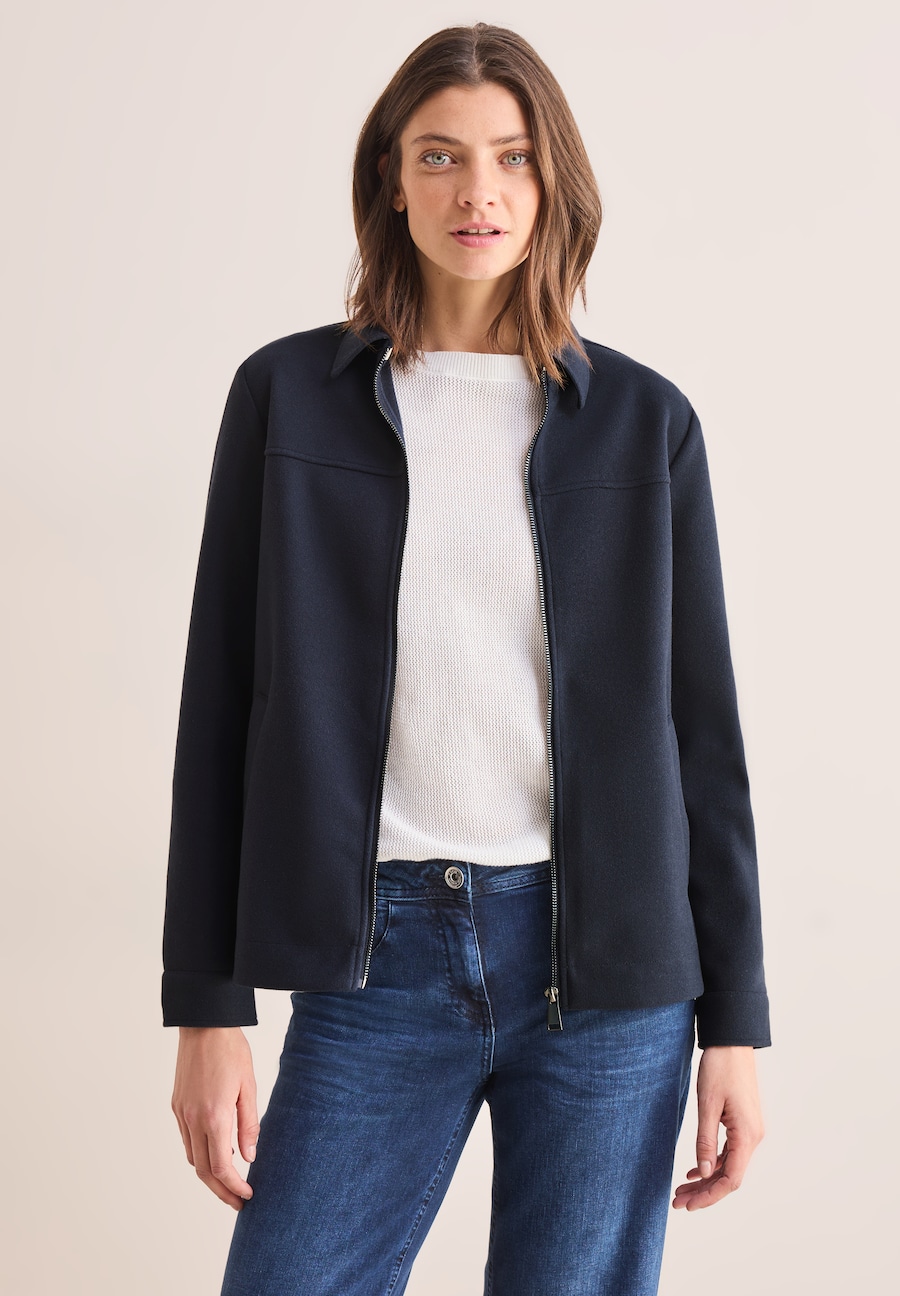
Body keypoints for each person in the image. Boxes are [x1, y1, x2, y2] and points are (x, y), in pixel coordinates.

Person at [163, 22, 770, 1296]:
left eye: (512, 156)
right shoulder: (287, 399)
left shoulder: (646, 423)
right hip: (375, 955)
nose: (477, 191)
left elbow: (701, 740)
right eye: (439, 155)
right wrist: (206, 1007)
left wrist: (737, 1027)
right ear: (392, 178)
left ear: (553, 184)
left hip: (613, 979)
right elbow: (221, 709)